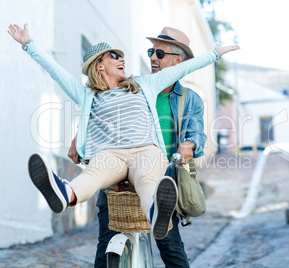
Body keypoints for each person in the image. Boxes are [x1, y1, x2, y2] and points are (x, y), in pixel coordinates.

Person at [8, 23, 239, 241]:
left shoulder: (145, 84)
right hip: (111, 155)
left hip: (145, 151)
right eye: (115, 56)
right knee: (93, 174)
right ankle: (65, 194)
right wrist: (29, 45)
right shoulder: (88, 96)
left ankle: (155, 213)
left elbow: (186, 66)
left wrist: (215, 54)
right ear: (100, 65)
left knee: (147, 180)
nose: (122, 59)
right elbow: (55, 72)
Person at [68, 27, 208, 267]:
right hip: (115, 179)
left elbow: (196, 132)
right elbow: (101, 112)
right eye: (151, 51)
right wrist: (79, 136)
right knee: (105, 249)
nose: (153, 57)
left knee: (171, 249)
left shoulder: (189, 98)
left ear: (178, 61)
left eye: (160, 54)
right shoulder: (132, 86)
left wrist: (189, 144)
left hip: (159, 179)